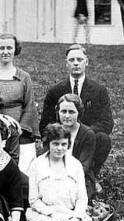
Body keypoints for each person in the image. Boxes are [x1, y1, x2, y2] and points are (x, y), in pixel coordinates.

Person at [18, 123, 99, 221]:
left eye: (64, 144)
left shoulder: (75, 165)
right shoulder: (37, 165)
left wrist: (76, 217)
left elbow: (82, 197)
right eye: (55, 144)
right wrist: (52, 214)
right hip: (46, 213)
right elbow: (33, 200)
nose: (60, 148)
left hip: (70, 212)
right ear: (47, 144)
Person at [40, 44, 113, 192]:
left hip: (88, 138)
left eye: (79, 59)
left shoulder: (99, 90)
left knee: (104, 139)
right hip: (61, 137)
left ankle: (91, 175)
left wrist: (82, 133)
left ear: (87, 61)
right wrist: (62, 131)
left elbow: (107, 122)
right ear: (66, 63)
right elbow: (45, 124)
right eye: (71, 60)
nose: (75, 63)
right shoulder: (55, 91)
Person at [0, 33, 39, 173]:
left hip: (21, 133)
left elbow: (29, 106)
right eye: (1, 48)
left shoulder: (24, 77)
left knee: (22, 172)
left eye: (9, 48)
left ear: (15, 50)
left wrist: (19, 129)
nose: (5, 52)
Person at [56, 94, 96, 199]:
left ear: (79, 113)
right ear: (58, 112)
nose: (67, 116)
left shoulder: (87, 134)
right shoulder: (53, 131)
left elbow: (84, 167)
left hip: (79, 179)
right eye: (63, 111)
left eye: (71, 112)